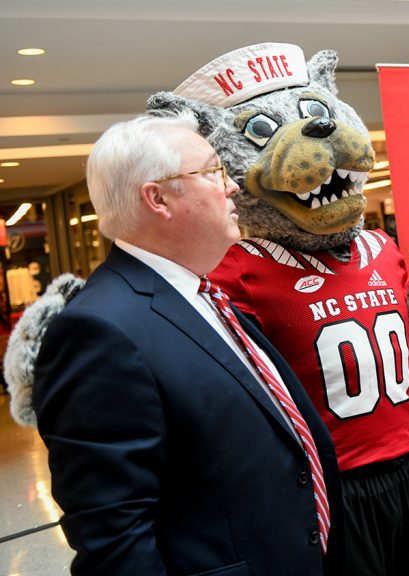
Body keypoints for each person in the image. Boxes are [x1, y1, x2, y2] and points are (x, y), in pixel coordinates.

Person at [31, 112, 343, 576]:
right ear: (157, 198)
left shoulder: (201, 293)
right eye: (214, 171)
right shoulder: (99, 331)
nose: (233, 186)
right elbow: (115, 538)